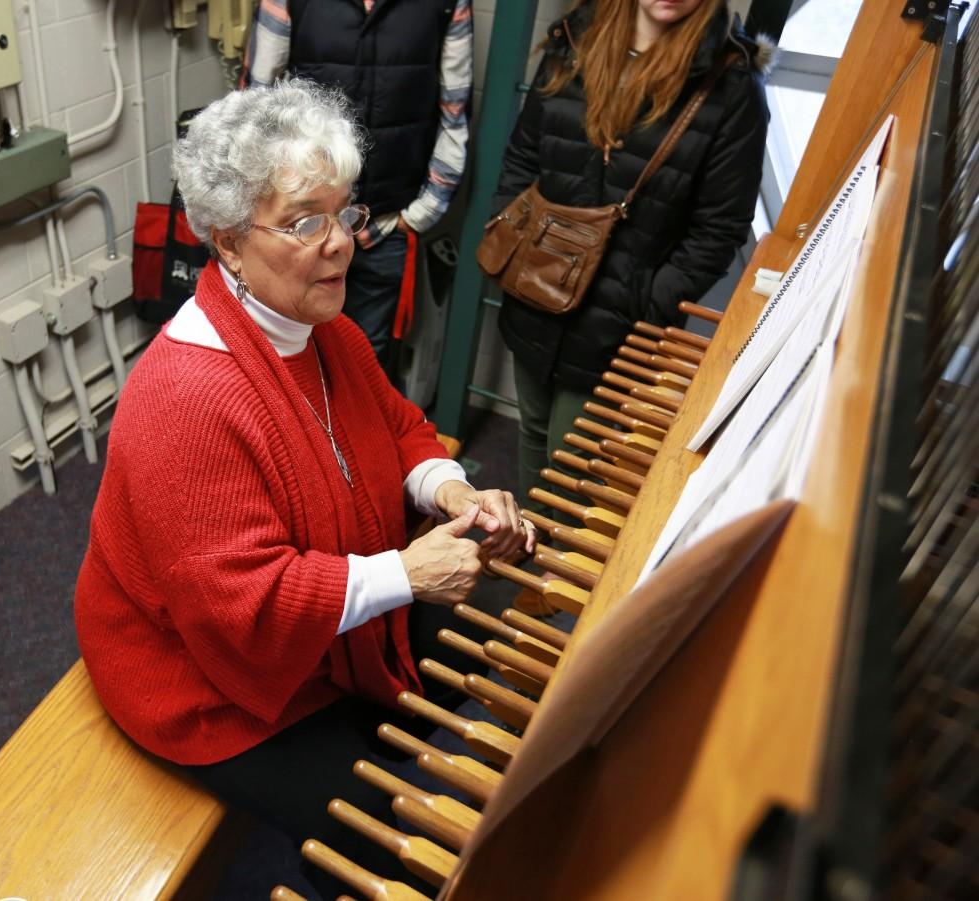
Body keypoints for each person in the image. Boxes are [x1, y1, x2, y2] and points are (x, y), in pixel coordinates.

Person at [74, 81, 534, 892]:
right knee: (367, 832)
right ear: (226, 243)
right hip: (192, 671)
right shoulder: (184, 398)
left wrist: (450, 493)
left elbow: (397, 430)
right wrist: (404, 574)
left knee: (494, 623)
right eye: (302, 221)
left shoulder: (327, 331)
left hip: (303, 603)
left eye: (345, 212)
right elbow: (240, 605)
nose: (341, 244)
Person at [493, 0, 773, 528]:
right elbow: (522, 158)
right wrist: (508, 231)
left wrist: (648, 300)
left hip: (621, 322)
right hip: (536, 287)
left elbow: (720, 229)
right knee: (531, 429)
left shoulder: (730, 87)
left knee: (580, 462)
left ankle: (555, 581)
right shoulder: (572, 43)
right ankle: (530, 559)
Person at [242, 0, 473, 374]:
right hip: (302, 230)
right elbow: (256, 103)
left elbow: (455, 111)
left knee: (366, 367)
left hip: (386, 225)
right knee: (286, 357)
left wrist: (422, 214)